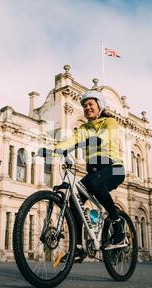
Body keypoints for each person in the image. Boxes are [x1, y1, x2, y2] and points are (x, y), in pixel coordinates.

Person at [40, 90, 126, 263]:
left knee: (94, 182)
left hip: (116, 168)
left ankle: (117, 221)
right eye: (85, 106)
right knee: (74, 200)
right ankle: (78, 248)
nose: (87, 108)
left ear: (99, 105)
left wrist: (93, 141)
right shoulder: (84, 129)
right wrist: (54, 150)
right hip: (95, 171)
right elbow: (71, 141)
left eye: (90, 104)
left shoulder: (109, 122)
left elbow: (106, 138)